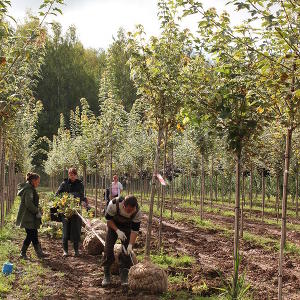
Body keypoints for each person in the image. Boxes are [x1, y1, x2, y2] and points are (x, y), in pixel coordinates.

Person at [102, 195, 141, 287]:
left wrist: (130, 245)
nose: (130, 212)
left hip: (127, 228)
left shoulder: (137, 212)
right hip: (113, 226)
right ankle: (106, 275)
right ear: (123, 205)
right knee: (108, 248)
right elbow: (108, 220)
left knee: (126, 252)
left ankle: (124, 276)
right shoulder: (114, 204)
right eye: (128, 210)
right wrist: (117, 231)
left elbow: (135, 231)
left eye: (132, 210)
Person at [56, 168, 86, 257]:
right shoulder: (64, 183)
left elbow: (81, 195)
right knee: (65, 231)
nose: (72, 176)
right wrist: (65, 198)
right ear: (68, 174)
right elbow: (57, 194)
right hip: (65, 211)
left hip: (76, 210)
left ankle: (76, 250)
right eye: (70, 174)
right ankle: (65, 251)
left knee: (76, 230)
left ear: (76, 175)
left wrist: (74, 197)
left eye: (73, 174)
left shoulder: (80, 184)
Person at [16, 172, 46, 259]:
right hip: (27, 216)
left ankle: (39, 253)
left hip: (30, 216)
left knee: (34, 234)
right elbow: (29, 204)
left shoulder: (30, 188)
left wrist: (38, 209)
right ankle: (23, 252)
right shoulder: (28, 190)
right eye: (38, 181)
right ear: (33, 181)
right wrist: (37, 211)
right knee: (30, 234)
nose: (38, 183)